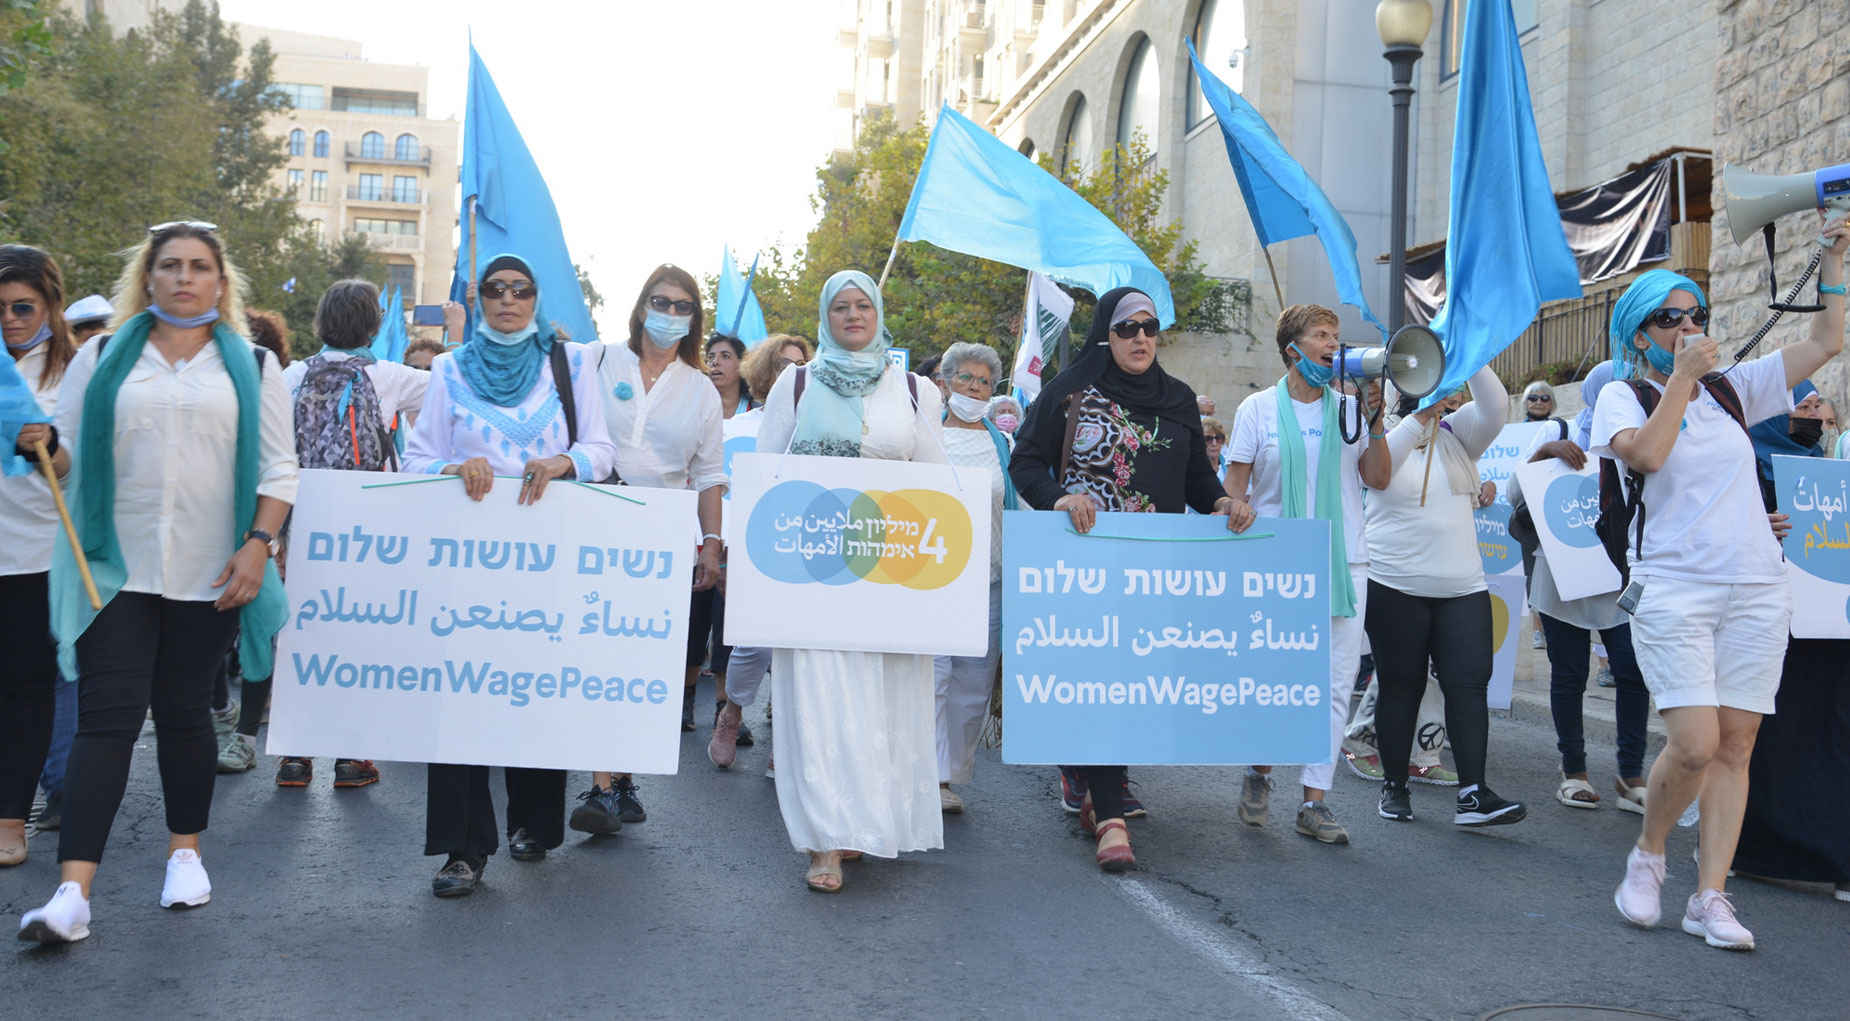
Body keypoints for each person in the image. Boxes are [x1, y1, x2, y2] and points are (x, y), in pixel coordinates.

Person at [18, 221, 297, 943]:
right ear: (148, 277)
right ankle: (72, 893)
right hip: (114, 567)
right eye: (170, 265)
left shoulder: (255, 364)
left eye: (199, 266)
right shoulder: (101, 355)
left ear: (220, 282)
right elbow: (69, 458)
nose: (184, 277)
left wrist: (258, 546)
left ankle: (185, 855)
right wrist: (46, 445)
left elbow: (278, 468)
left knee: (183, 713)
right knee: (105, 719)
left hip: (213, 570)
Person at [1598, 221, 1847, 951]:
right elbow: (1647, 456)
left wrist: (1833, 262)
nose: (1688, 326)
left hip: (1756, 587)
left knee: (1736, 745)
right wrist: (1682, 378)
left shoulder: (1732, 392)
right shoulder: (1624, 395)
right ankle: (1649, 854)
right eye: (1669, 318)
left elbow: (1826, 341)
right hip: (1674, 587)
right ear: (1638, 334)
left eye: (1695, 313)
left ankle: (1710, 895)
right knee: (1696, 743)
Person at [401, 253, 617, 898]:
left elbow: (601, 452)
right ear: (481, 299)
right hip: (467, 566)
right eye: (496, 289)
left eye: (521, 289)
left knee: (535, 688)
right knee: (460, 696)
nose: (508, 299)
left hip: (547, 563)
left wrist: (562, 462)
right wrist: (452, 468)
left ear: (535, 298)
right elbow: (416, 459)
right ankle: (463, 849)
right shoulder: (448, 369)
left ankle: (534, 823)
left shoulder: (569, 363)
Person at [1009, 287, 1235, 871]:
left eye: (1150, 328)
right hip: (1087, 564)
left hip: (1153, 568)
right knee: (1103, 676)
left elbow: (1196, 476)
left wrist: (1221, 503)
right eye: (1127, 328)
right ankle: (1110, 815)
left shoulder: (1178, 398)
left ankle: (1096, 776)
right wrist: (1059, 498)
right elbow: (1025, 461)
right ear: (1104, 335)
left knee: (1136, 681)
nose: (1141, 338)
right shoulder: (1069, 392)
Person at [753, 269, 948, 892]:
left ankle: (864, 822)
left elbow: (939, 486)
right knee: (821, 695)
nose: (854, 315)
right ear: (825, 316)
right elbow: (765, 476)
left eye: (864, 304)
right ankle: (825, 840)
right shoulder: (796, 383)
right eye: (841, 306)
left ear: (879, 312)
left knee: (882, 699)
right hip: (812, 572)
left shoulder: (915, 390)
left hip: (890, 575)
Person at [251, 280, 430, 786]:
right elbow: (455, 384)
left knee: (299, 635)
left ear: (320, 323)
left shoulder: (290, 376)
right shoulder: (389, 376)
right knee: (362, 637)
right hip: (369, 530)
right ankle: (352, 756)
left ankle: (295, 755)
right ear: (373, 326)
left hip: (302, 525)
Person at [1224, 304, 1391, 845]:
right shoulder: (1257, 409)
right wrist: (1234, 509)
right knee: (1276, 676)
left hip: (1345, 562)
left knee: (1336, 683)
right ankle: (1260, 770)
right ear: (1292, 348)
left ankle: (1314, 801)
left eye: (1336, 336)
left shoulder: (1349, 409)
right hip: (1278, 563)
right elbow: (1234, 486)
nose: (1333, 344)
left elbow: (1377, 478)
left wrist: (1376, 422)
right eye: (1321, 334)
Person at [567, 265, 724, 832]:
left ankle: (623, 780)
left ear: (694, 318)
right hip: (589, 524)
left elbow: (709, 475)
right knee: (593, 652)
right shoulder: (595, 361)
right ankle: (602, 785)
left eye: (683, 306)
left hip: (661, 539)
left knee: (640, 659)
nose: (670, 314)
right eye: (661, 302)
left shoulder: (700, 389)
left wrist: (711, 544)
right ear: (639, 307)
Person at [1364, 359, 1525, 828]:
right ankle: (1395, 785)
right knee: (1402, 685)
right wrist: (1418, 412)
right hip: (1395, 584)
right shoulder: (1378, 433)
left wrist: (1468, 350)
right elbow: (1379, 473)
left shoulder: (1458, 433)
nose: (1441, 391)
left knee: (1468, 684)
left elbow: (1495, 405)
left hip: (1463, 587)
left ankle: (1474, 794)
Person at [1505, 433, 1650, 812]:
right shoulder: (1562, 434)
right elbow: (1514, 492)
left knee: (1632, 672)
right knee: (1569, 674)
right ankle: (1574, 770)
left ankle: (1631, 774)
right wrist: (1543, 451)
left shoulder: (1639, 434)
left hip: (1618, 571)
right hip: (1563, 574)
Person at [0, 244, 78, 868]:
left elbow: (79, 465)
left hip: (35, 556)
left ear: (51, 304)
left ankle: (11, 820)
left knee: (25, 689)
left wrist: (46, 445)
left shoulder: (74, 373)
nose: (9, 319)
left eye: (22, 306)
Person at [930, 342, 1017, 814]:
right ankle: (922, 774)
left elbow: (1016, 503)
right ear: (945, 383)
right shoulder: (925, 438)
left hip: (990, 582)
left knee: (971, 687)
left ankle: (948, 777)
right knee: (931, 678)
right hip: (933, 581)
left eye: (984, 381)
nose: (975, 387)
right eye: (965, 377)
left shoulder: (1002, 444)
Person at [700, 332, 759, 768]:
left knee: (733, 623)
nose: (716, 363)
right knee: (692, 615)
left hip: (742, 534)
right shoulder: (694, 406)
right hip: (696, 526)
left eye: (725, 356)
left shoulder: (759, 417)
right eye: (710, 356)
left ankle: (728, 710)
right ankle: (684, 700)